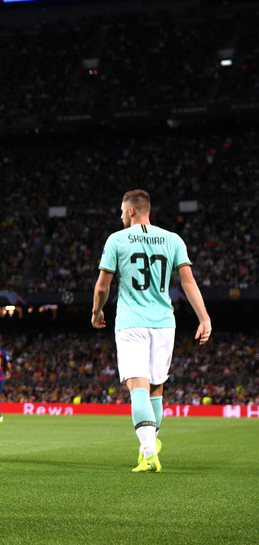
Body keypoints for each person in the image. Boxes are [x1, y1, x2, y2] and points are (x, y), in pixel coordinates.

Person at [92, 189, 211, 473]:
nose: (121, 216)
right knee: (156, 389)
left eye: (122, 210)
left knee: (138, 389)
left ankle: (148, 454)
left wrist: (97, 311)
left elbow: (102, 286)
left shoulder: (117, 240)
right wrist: (204, 318)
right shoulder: (173, 239)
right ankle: (151, 443)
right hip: (164, 324)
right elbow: (189, 282)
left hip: (132, 323)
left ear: (132, 210)